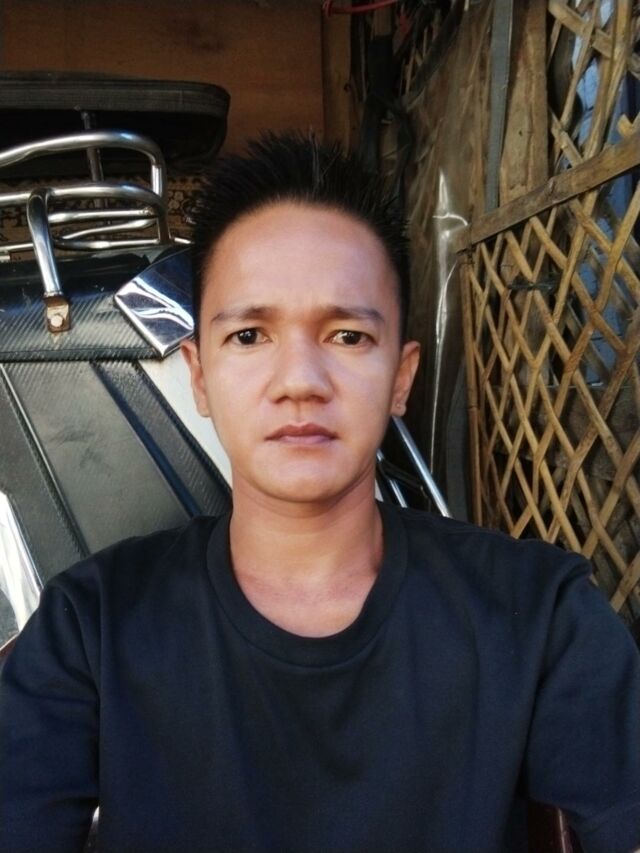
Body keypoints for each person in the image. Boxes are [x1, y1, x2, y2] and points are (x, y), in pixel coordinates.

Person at [1, 132, 639, 853]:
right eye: (249, 335)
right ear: (199, 376)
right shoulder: (91, 628)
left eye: (346, 336)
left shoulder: (539, 616)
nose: (300, 380)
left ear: (402, 377)